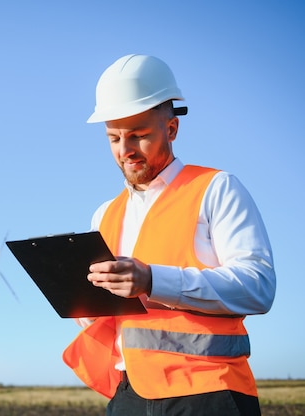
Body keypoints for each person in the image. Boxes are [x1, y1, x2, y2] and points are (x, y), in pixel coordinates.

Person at [62, 54, 276, 416]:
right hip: (129, 394)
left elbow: (258, 287)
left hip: (209, 391)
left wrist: (151, 280)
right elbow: (108, 317)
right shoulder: (105, 214)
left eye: (139, 136)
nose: (125, 150)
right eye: (113, 137)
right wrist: (80, 298)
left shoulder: (216, 188)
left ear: (171, 129)